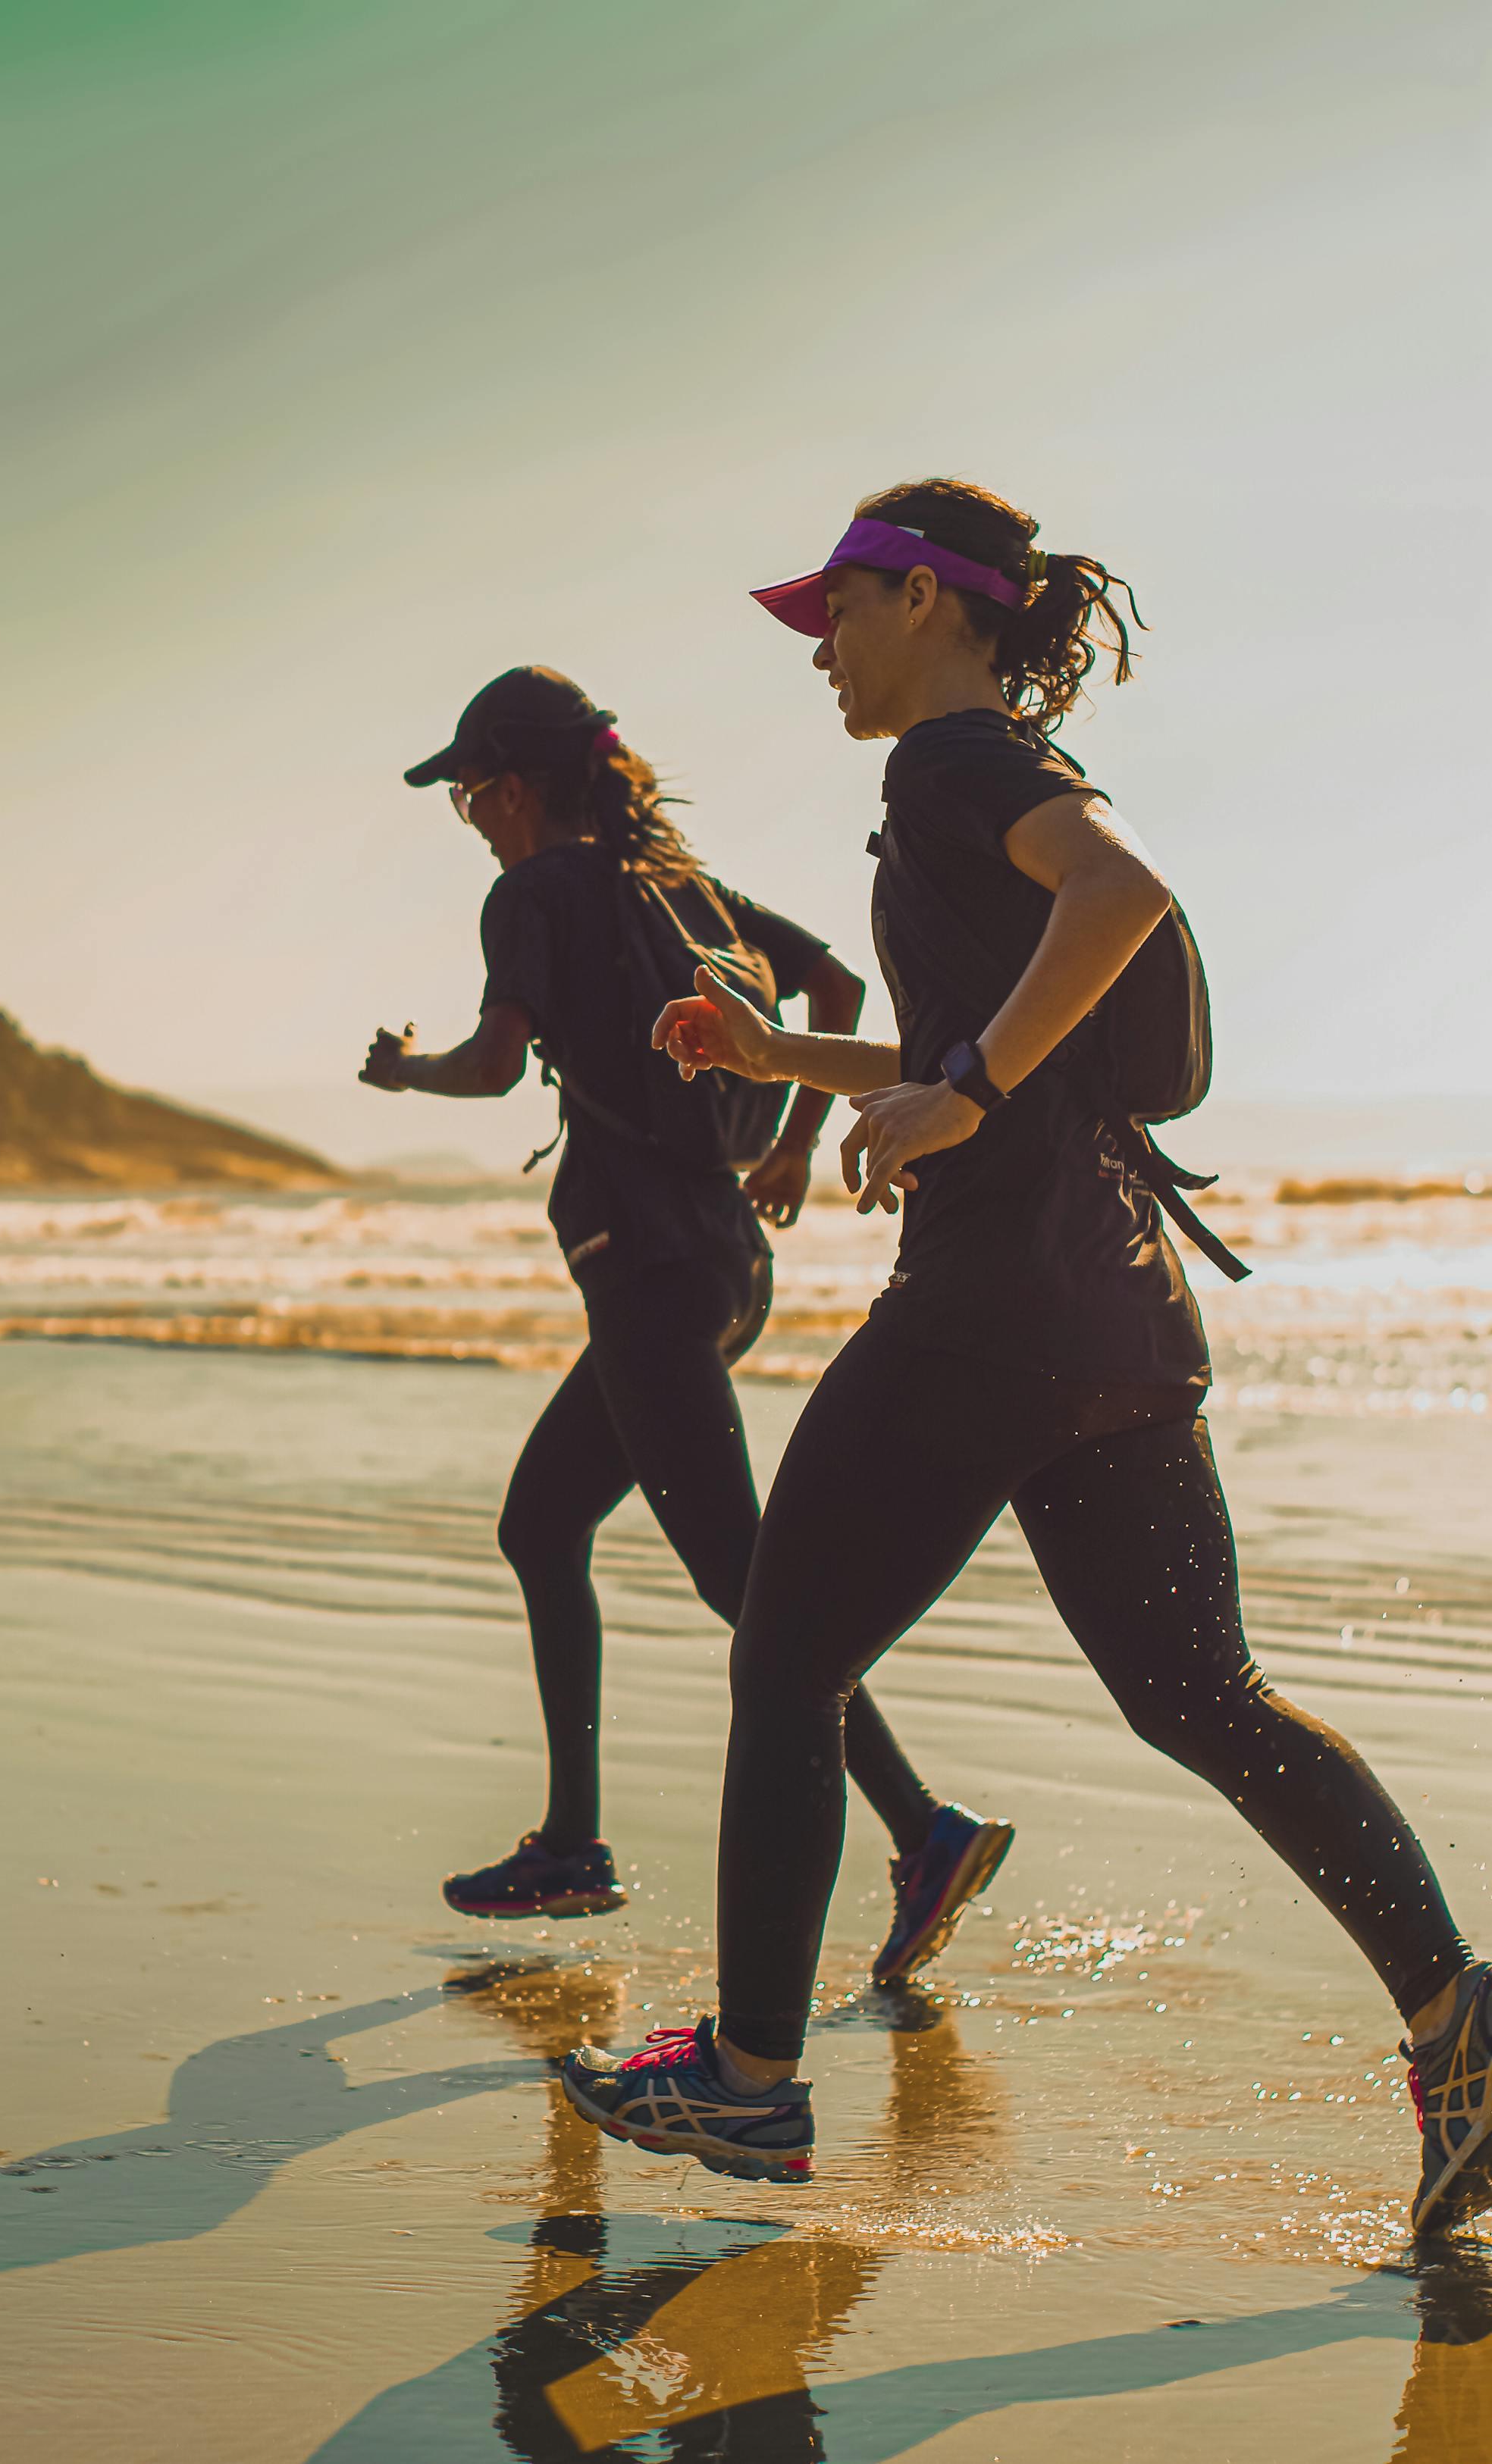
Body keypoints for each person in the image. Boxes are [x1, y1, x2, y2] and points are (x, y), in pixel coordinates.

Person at [560, 484, 1492, 2232]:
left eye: (835, 610)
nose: (820, 649)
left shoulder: (952, 767)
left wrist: (959, 1094)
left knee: (786, 1660)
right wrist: (805, 1056)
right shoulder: (976, 787)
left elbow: (1120, 897)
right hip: (1113, 1308)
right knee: (1201, 1700)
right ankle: (1463, 2016)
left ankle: (751, 2079)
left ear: (924, 598)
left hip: (991, 1305)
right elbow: (990, 1038)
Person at [363, 665, 1011, 1974]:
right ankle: (573, 1847)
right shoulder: (684, 885)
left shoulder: (532, 893)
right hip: (717, 1266)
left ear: (520, 784)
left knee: (746, 1579)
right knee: (541, 1524)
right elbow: (833, 990)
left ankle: (924, 1827)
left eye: (474, 792)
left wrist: (402, 1072)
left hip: (648, 1269)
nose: (473, 818)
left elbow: (495, 1066)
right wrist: (785, 1140)